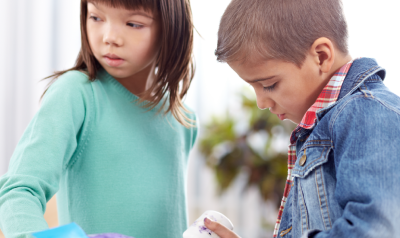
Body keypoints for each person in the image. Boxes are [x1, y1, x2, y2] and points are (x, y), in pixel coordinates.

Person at [0, 0, 197, 238]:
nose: (110, 37)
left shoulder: (183, 119)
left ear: (173, 29)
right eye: (96, 17)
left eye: (133, 24)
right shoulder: (75, 94)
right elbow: (19, 191)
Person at [204, 0, 400, 237]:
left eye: (269, 84)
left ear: (321, 56)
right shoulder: (327, 126)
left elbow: (375, 231)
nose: (261, 103)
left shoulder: (367, 113)